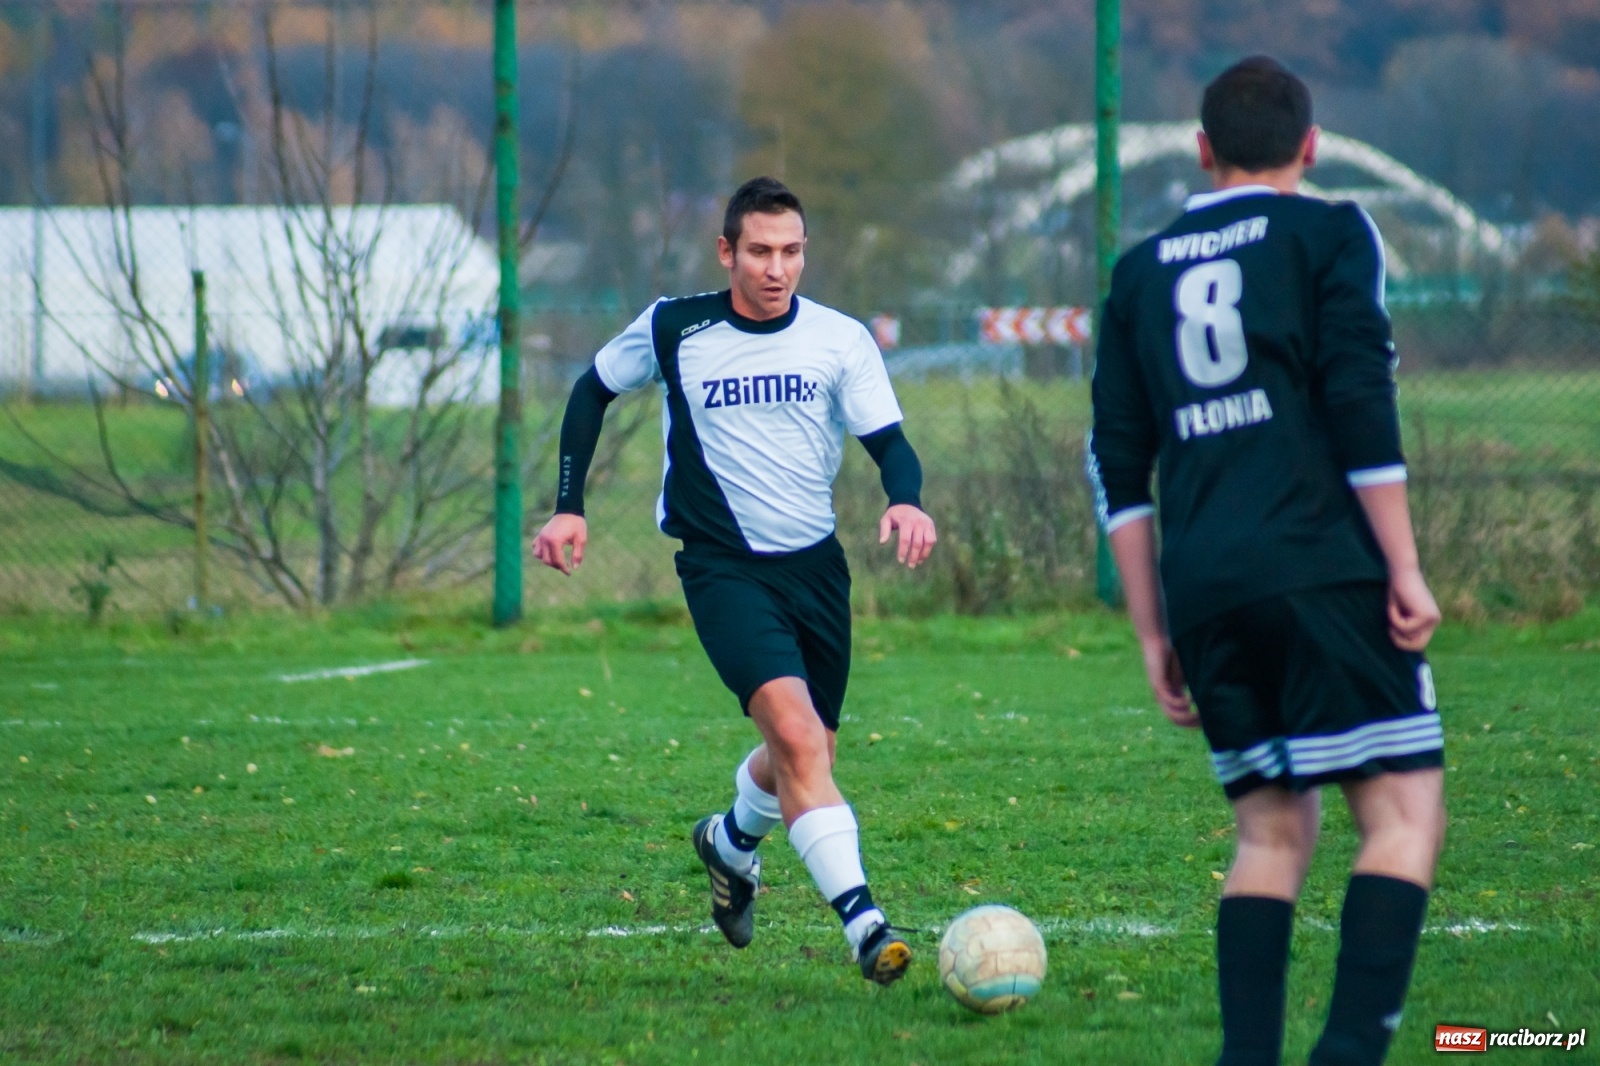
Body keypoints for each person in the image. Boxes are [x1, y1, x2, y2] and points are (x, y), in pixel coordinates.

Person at [1088, 57, 1447, 1066]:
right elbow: (1356, 396)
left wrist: (1154, 628)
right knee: (1404, 814)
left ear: (1202, 153)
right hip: (1321, 565)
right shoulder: (1331, 229)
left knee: (1270, 836)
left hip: (1205, 588)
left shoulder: (1137, 270)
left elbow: (1117, 460)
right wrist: (1404, 565)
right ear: (1311, 147)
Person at [533, 177, 936, 986]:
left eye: (791, 251)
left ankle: (728, 842)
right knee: (794, 736)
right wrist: (568, 505)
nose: (776, 267)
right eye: (759, 250)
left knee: (809, 747)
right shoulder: (676, 326)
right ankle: (866, 925)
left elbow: (890, 442)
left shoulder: (838, 338)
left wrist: (907, 501)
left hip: (816, 569)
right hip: (720, 567)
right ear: (727, 252)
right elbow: (592, 389)